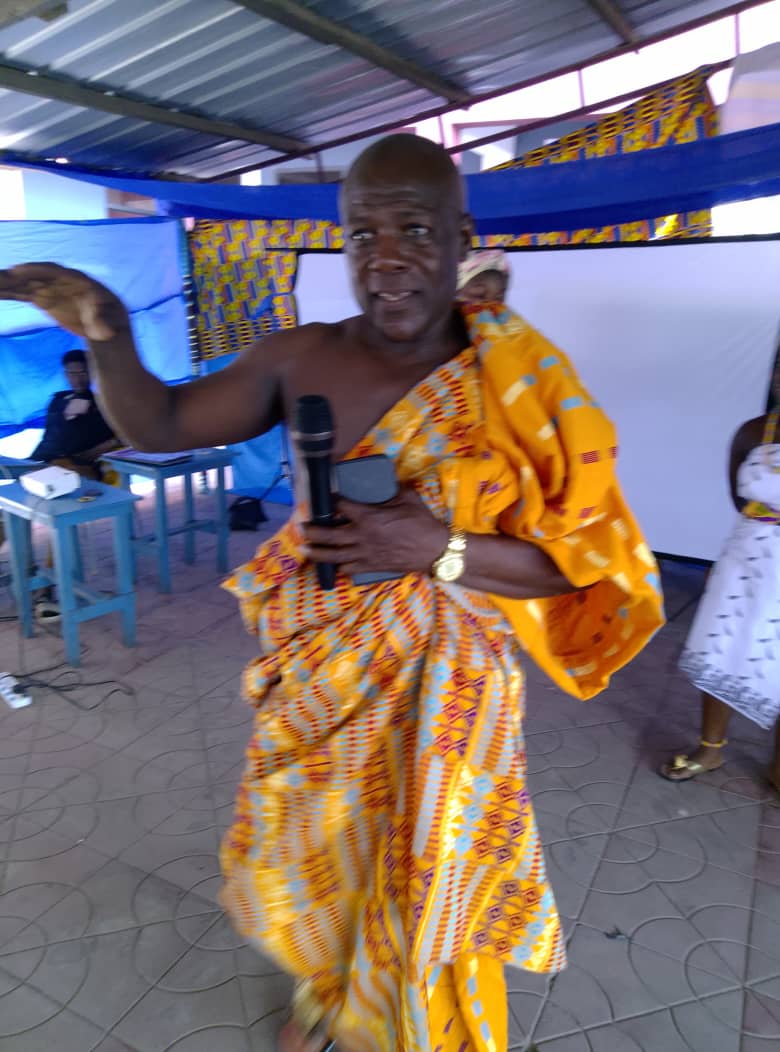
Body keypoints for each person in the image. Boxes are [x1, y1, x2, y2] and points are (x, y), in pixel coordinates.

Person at [0, 134, 664, 1052]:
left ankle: (411, 1020)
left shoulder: (520, 378)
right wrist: (106, 332)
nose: (385, 258)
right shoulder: (301, 357)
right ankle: (331, 991)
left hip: (452, 684)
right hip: (325, 665)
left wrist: (436, 546)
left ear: (462, 236)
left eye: (414, 231)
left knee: (428, 860)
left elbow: (578, 563)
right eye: (361, 235)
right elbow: (160, 421)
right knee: (317, 844)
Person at [661, 407, 780, 791]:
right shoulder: (753, 431)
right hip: (746, 558)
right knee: (722, 649)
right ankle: (710, 749)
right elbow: (738, 497)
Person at [30, 348, 121, 478]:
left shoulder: (105, 404)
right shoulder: (58, 400)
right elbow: (49, 439)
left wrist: (86, 455)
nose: (78, 379)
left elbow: (118, 439)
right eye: (72, 373)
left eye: (83, 373)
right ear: (66, 374)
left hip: (80, 465)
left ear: (92, 373)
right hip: (42, 460)